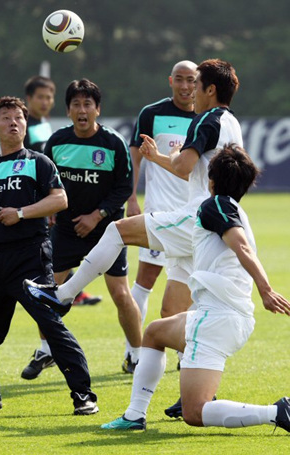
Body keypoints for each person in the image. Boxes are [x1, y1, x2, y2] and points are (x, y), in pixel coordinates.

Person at [23, 59, 242, 392]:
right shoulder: (232, 122)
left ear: (210, 89)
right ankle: (166, 400)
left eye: (196, 85)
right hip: (212, 223)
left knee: (117, 230)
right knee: (168, 318)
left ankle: (62, 296)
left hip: (198, 218)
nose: (190, 91)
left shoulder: (205, 120)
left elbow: (184, 167)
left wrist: (155, 157)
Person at [99, 143, 290, 432]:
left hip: (217, 319)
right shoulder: (234, 208)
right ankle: (134, 415)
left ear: (210, 180)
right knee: (154, 332)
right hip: (222, 316)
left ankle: (276, 412)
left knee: (195, 412)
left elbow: (241, 246)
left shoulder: (214, 205)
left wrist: (265, 289)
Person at [0, 96, 98, 415]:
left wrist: (22, 213)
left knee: (50, 324)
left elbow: (60, 200)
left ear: (25, 126)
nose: (13, 121)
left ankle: (84, 395)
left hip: (31, 256)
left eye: (18, 117)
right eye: (6, 118)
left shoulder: (38, 162)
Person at [22, 78, 142, 378]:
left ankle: (137, 355)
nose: (82, 109)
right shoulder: (58, 142)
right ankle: (46, 349)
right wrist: (47, 208)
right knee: (47, 289)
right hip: (65, 230)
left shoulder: (113, 143)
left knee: (120, 293)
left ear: (97, 109)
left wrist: (96, 216)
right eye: (76, 104)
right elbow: (44, 182)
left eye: (88, 104)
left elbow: (123, 188)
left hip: (107, 232)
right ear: (69, 110)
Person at [21, 76, 101, 381]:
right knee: (42, 277)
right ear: (29, 98)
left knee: (49, 276)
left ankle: (71, 292)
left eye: (49, 97)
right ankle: (48, 342)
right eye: (40, 97)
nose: (45, 102)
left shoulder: (44, 127)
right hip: (40, 212)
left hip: (54, 210)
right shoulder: (26, 127)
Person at [123, 60, 197, 374]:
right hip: (158, 213)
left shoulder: (205, 119)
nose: (184, 86)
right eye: (179, 80)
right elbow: (135, 157)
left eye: (190, 81)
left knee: (192, 286)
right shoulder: (151, 113)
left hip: (192, 218)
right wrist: (131, 198)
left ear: (198, 83)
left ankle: (186, 351)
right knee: (145, 281)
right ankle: (134, 351)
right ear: (170, 81)